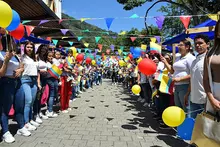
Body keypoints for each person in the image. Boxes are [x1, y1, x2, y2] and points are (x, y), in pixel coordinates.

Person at [0, 33, 31, 143]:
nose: (15, 43)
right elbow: (1, 73)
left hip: (18, 83)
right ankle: (5, 131)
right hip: (6, 82)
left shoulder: (16, 55)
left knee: (20, 105)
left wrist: (20, 70)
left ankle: (21, 127)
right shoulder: (1, 54)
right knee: (5, 109)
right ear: (6, 42)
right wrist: (6, 60)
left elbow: (21, 66)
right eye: (12, 41)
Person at [161, 39, 196, 112]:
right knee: (178, 108)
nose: (178, 47)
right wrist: (165, 62)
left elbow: (194, 74)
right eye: (178, 45)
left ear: (187, 47)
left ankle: (187, 123)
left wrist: (180, 79)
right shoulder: (178, 57)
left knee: (186, 109)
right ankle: (180, 123)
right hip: (176, 86)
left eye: (181, 45)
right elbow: (172, 71)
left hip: (185, 86)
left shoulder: (190, 58)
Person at [184, 34, 209, 118]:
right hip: (193, 99)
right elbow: (193, 78)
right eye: (196, 44)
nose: (198, 45)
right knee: (195, 126)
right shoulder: (194, 61)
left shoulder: (209, 59)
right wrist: (187, 93)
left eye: (200, 43)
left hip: (205, 101)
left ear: (207, 44)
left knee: (205, 127)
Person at [203, 20, 220, 113]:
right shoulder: (210, 54)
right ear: (217, 33)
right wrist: (211, 99)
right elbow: (205, 79)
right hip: (214, 97)